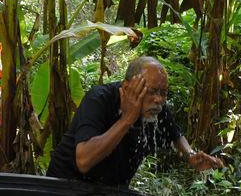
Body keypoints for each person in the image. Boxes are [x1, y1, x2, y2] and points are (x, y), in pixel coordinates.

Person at [46, 56, 224, 186]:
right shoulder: (99, 99)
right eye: (152, 91)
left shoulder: (156, 109)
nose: (159, 99)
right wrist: (127, 119)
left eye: (163, 93)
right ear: (127, 86)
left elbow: (175, 134)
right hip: (64, 187)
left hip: (109, 194)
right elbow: (84, 161)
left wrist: (191, 156)